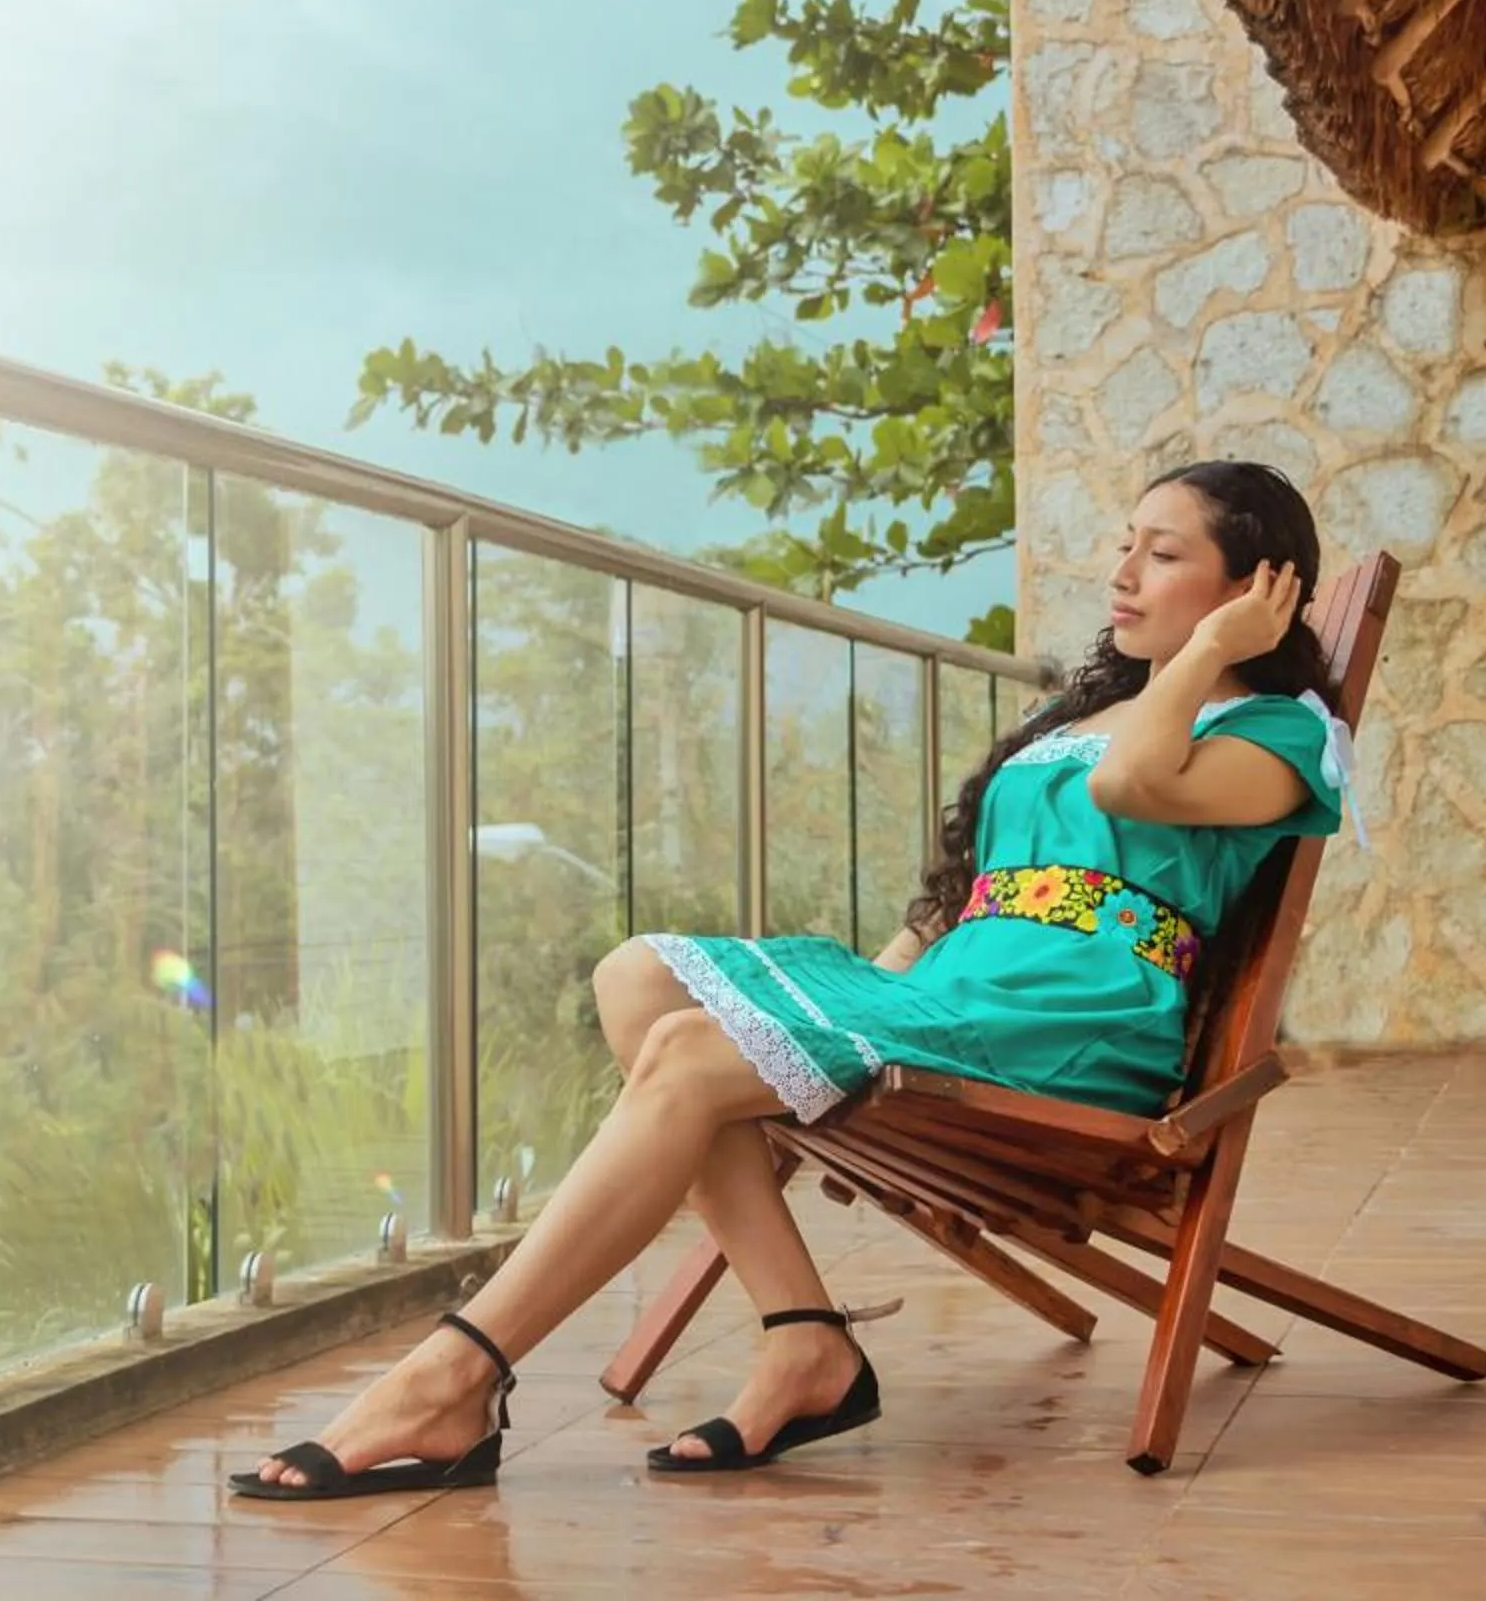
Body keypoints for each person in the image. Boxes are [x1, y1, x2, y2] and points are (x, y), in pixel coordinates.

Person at [231, 459, 1356, 1499]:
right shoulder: (1098, 706)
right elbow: (977, 883)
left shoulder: (1276, 734)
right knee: (643, 980)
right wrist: (856, 1004)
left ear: (1253, 583)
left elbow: (1130, 788)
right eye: (1125, 542)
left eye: (1162, 552)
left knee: (687, 1054)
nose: (1122, 570)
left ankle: (453, 1379)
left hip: (1069, 1027)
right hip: (959, 993)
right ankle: (803, 1335)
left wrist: (1209, 651)